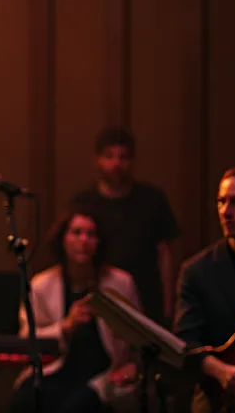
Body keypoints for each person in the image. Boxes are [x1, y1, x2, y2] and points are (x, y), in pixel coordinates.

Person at [9, 208, 141, 413]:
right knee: (25, 400)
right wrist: (65, 327)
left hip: (105, 373)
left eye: (91, 234)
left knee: (77, 406)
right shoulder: (42, 285)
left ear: (99, 243)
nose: (84, 240)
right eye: (76, 232)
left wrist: (132, 366)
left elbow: (139, 338)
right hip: (55, 369)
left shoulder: (120, 283)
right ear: (63, 239)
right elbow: (27, 338)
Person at [71, 126, 180, 326]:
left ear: (132, 161)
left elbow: (166, 255)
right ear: (98, 159)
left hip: (146, 298)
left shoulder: (152, 199)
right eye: (109, 156)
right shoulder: (84, 202)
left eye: (123, 157)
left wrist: (168, 307)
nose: (116, 164)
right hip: (100, 298)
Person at [174, 165, 235, 413]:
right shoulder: (197, 271)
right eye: (221, 202)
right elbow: (186, 340)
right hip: (219, 390)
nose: (226, 212)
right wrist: (221, 371)